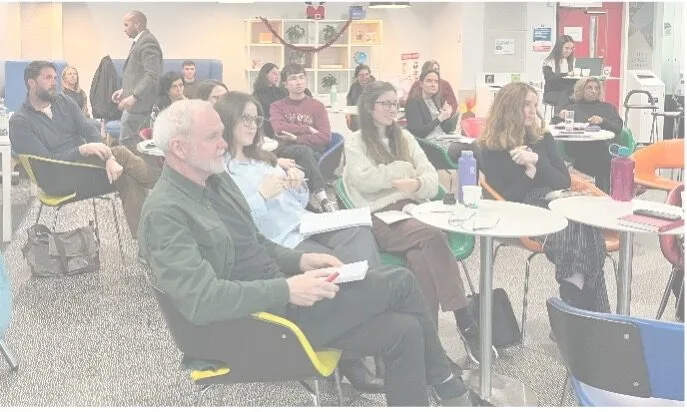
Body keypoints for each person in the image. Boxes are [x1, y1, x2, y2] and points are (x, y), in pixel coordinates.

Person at [138, 99, 481, 407]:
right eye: (213, 136)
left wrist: (299, 261)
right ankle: (447, 386)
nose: (224, 143)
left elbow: (255, 242)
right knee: (400, 281)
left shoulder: (214, 180)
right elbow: (203, 301)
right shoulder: (166, 212)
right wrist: (289, 288)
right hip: (256, 323)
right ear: (180, 148)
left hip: (278, 298)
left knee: (404, 331)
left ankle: (446, 390)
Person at [217, 91, 384, 393]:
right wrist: (262, 196)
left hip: (306, 223)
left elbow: (296, 202)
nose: (252, 125)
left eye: (256, 118)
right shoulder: (222, 170)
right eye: (245, 118)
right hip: (281, 241)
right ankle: (358, 356)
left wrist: (296, 185)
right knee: (342, 270)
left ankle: (374, 327)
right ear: (227, 120)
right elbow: (236, 225)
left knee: (360, 232)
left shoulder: (263, 158)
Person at [342, 81, 495, 364]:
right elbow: (365, 181)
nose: (392, 109)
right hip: (378, 216)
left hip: (412, 209)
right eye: (385, 104)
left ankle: (429, 349)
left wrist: (414, 183)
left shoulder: (405, 138)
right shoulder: (356, 141)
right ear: (369, 107)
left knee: (421, 261)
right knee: (433, 236)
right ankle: (464, 318)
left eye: (394, 104)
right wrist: (402, 170)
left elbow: (430, 178)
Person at [478, 82, 611, 314]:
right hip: (525, 210)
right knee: (577, 230)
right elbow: (506, 200)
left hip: (557, 199)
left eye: (534, 104)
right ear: (509, 108)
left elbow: (564, 181)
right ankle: (591, 312)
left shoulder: (542, 138)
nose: (532, 110)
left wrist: (537, 163)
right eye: (525, 105)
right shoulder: (492, 148)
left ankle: (573, 301)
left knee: (586, 229)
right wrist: (529, 175)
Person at [9, 61, 160, 237]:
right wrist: (83, 150)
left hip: (83, 168)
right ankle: (164, 183)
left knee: (125, 174)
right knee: (121, 153)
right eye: (48, 78)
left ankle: (147, 243)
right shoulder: (20, 122)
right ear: (31, 83)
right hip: (56, 179)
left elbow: (88, 129)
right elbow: (46, 163)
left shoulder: (63, 101)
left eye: (55, 78)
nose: (54, 82)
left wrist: (108, 158)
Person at [269, 64, 337, 212]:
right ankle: (323, 199)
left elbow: (325, 137)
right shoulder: (277, 106)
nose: (298, 82)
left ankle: (305, 204)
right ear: (285, 84)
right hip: (286, 150)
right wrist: (307, 129)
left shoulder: (317, 106)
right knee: (303, 153)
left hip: (310, 151)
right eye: (293, 79)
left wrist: (296, 138)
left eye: (301, 78)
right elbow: (279, 129)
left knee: (304, 154)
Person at [552, 77, 623, 193]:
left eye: (596, 88)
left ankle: (593, 190)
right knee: (602, 156)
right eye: (589, 87)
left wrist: (602, 121)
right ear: (581, 90)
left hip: (600, 148)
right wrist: (560, 116)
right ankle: (601, 192)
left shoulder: (608, 108)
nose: (594, 91)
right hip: (577, 147)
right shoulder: (572, 109)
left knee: (600, 152)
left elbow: (618, 127)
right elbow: (554, 125)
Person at [111, 10, 163, 150]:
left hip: (140, 107)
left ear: (138, 24)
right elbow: (138, 74)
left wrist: (134, 96)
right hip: (135, 106)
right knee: (127, 144)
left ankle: (135, 172)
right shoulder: (140, 41)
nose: (124, 29)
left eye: (126, 25)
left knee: (129, 146)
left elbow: (152, 74)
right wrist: (125, 90)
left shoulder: (147, 42)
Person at [405, 69, 461, 160]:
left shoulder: (437, 101)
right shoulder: (413, 103)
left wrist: (447, 116)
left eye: (436, 82)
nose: (433, 84)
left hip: (443, 139)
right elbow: (419, 132)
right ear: (421, 84)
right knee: (471, 149)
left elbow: (447, 129)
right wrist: (439, 119)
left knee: (475, 145)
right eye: (429, 81)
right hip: (432, 146)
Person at [542, 35, 576, 112]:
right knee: (568, 97)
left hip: (568, 92)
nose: (569, 51)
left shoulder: (572, 62)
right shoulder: (549, 62)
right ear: (559, 47)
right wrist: (566, 74)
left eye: (571, 48)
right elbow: (550, 79)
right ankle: (559, 119)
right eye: (566, 48)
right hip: (552, 92)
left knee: (580, 97)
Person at [252, 63, 286, 138]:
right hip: (266, 128)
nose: (277, 77)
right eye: (274, 73)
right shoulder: (257, 94)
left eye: (278, 74)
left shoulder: (281, 92)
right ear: (265, 74)